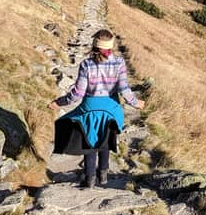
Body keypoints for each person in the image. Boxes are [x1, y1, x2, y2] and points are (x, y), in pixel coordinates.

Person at [49, 29, 145, 188]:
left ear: (94, 45)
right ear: (111, 45)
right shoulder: (119, 63)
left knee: (89, 142)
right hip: (111, 109)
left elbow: (77, 94)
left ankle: (89, 179)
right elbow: (124, 89)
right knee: (105, 139)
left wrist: (59, 102)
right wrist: (136, 103)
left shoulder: (86, 64)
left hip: (90, 107)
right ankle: (104, 174)